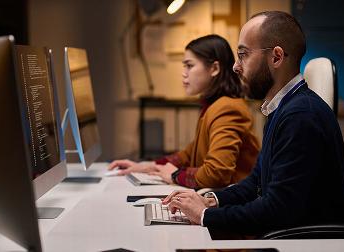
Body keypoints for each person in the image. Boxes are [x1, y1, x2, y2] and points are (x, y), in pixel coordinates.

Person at [163, 11, 344, 235]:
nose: (235, 66)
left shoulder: (301, 116)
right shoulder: (281, 109)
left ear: (276, 57)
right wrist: (210, 200)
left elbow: (277, 209)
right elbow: (256, 183)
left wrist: (205, 216)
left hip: (303, 243)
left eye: (243, 54)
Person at [109, 34, 260, 189]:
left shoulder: (227, 108)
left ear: (214, 68)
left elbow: (216, 174)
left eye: (189, 65)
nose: (184, 73)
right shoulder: (215, 105)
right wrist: (148, 166)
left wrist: (175, 175)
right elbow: (189, 154)